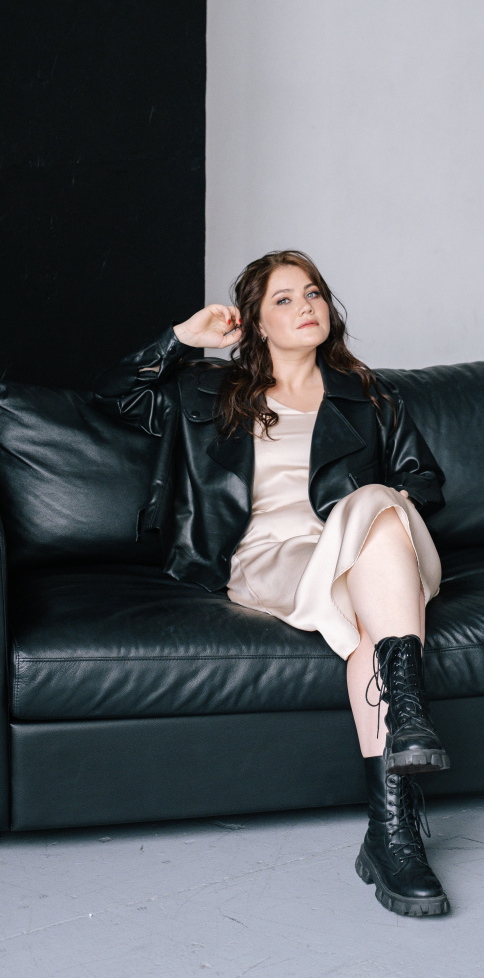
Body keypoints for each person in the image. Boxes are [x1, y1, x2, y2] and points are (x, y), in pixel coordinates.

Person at [94, 250, 450, 917]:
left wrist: (387, 509)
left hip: (366, 550)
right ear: (255, 323)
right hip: (270, 558)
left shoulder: (368, 395)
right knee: (373, 527)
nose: (305, 306)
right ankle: (404, 737)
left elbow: (422, 480)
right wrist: (182, 338)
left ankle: (393, 835)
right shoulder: (208, 391)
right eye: (283, 299)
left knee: (376, 509)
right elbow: (113, 397)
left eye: (312, 293)